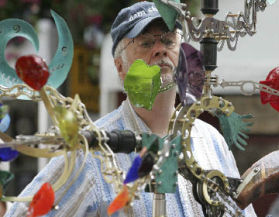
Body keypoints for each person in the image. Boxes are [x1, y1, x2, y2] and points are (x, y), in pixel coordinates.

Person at [5, 2, 257, 216]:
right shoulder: (92, 149)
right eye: (146, 43)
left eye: (169, 40)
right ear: (120, 67)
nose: (160, 49)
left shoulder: (211, 141)